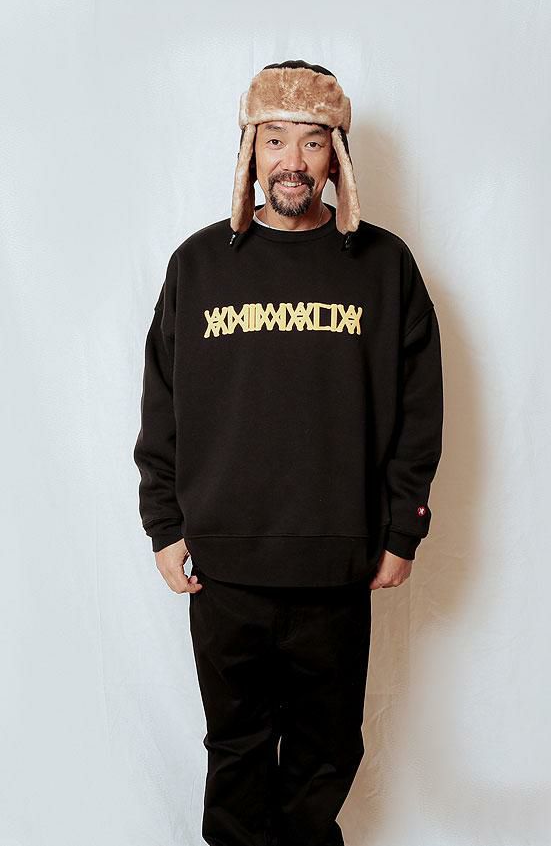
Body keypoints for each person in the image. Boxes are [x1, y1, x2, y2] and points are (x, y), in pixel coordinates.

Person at [133, 59, 444, 846]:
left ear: (337, 155)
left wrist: (403, 527)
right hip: (225, 565)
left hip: (336, 563)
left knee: (324, 754)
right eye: (275, 140)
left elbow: (419, 408)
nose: (292, 161)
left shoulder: (384, 266)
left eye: (311, 141)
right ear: (251, 150)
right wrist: (164, 524)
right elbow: (161, 402)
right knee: (236, 753)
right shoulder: (198, 265)